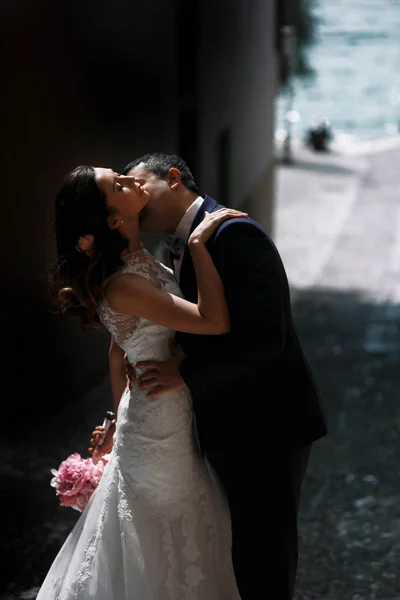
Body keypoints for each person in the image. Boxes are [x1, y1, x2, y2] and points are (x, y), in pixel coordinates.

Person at [109, 152, 327, 599]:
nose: (132, 196)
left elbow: (268, 338)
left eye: (137, 184)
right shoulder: (179, 243)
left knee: (264, 555)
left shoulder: (233, 232)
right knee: (231, 548)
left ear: (172, 178)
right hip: (223, 422)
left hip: (267, 423)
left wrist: (185, 373)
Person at [37, 165, 246, 600]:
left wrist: (117, 419)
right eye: (119, 185)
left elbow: (120, 351)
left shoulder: (135, 260)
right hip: (160, 425)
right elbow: (215, 320)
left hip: (152, 410)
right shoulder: (123, 284)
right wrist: (198, 245)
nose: (133, 181)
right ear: (114, 219)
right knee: (163, 534)